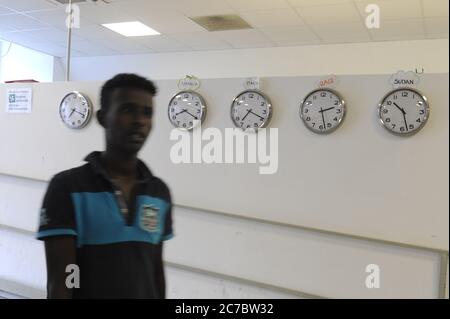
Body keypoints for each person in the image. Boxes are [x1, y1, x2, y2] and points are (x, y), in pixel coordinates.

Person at [36, 73, 173, 298]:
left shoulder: (159, 192)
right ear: (102, 118)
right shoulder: (67, 188)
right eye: (127, 110)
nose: (139, 120)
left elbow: (155, 271)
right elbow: (63, 282)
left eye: (147, 113)